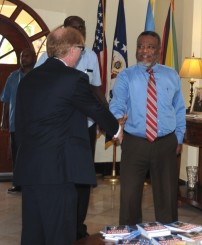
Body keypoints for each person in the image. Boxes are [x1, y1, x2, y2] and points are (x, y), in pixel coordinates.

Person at [14, 26, 122, 245]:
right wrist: (117, 130)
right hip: (58, 171)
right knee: (59, 233)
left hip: (30, 168)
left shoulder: (28, 79)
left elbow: (21, 123)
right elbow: (96, 108)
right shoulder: (73, 79)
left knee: (33, 233)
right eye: (81, 49)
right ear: (73, 49)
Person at [35, 15, 106, 239]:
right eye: (74, 28)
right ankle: (60, 222)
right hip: (59, 127)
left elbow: (96, 90)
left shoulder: (91, 55)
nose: (79, 30)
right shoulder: (48, 57)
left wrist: (106, 118)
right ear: (64, 31)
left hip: (85, 125)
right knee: (61, 175)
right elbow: (35, 87)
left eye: (82, 27)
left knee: (83, 177)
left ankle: (78, 225)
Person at [109, 31, 186, 225]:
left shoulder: (171, 75)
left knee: (167, 197)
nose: (144, 51)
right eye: (141, 46)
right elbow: (117, 104)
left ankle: (168, 234)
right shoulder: (126, 76)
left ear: (158, 51)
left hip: (166, 142)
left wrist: (178, 138)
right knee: (129, 196)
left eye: (150, 47)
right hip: (135, 143)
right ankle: (130, 235)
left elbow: (179, 108)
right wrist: (118, 121)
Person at [0, 48, 36, 193]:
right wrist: (4, 120)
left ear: (33, 58)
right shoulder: (12, 77)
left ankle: (33, 182)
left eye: (26, 56)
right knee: (17, 155)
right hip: (16, 123)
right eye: (21, 56)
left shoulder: (39, 76)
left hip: (35, 124)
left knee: (34, 154)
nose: (23, 59)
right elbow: (6, 100)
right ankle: (18, 183)